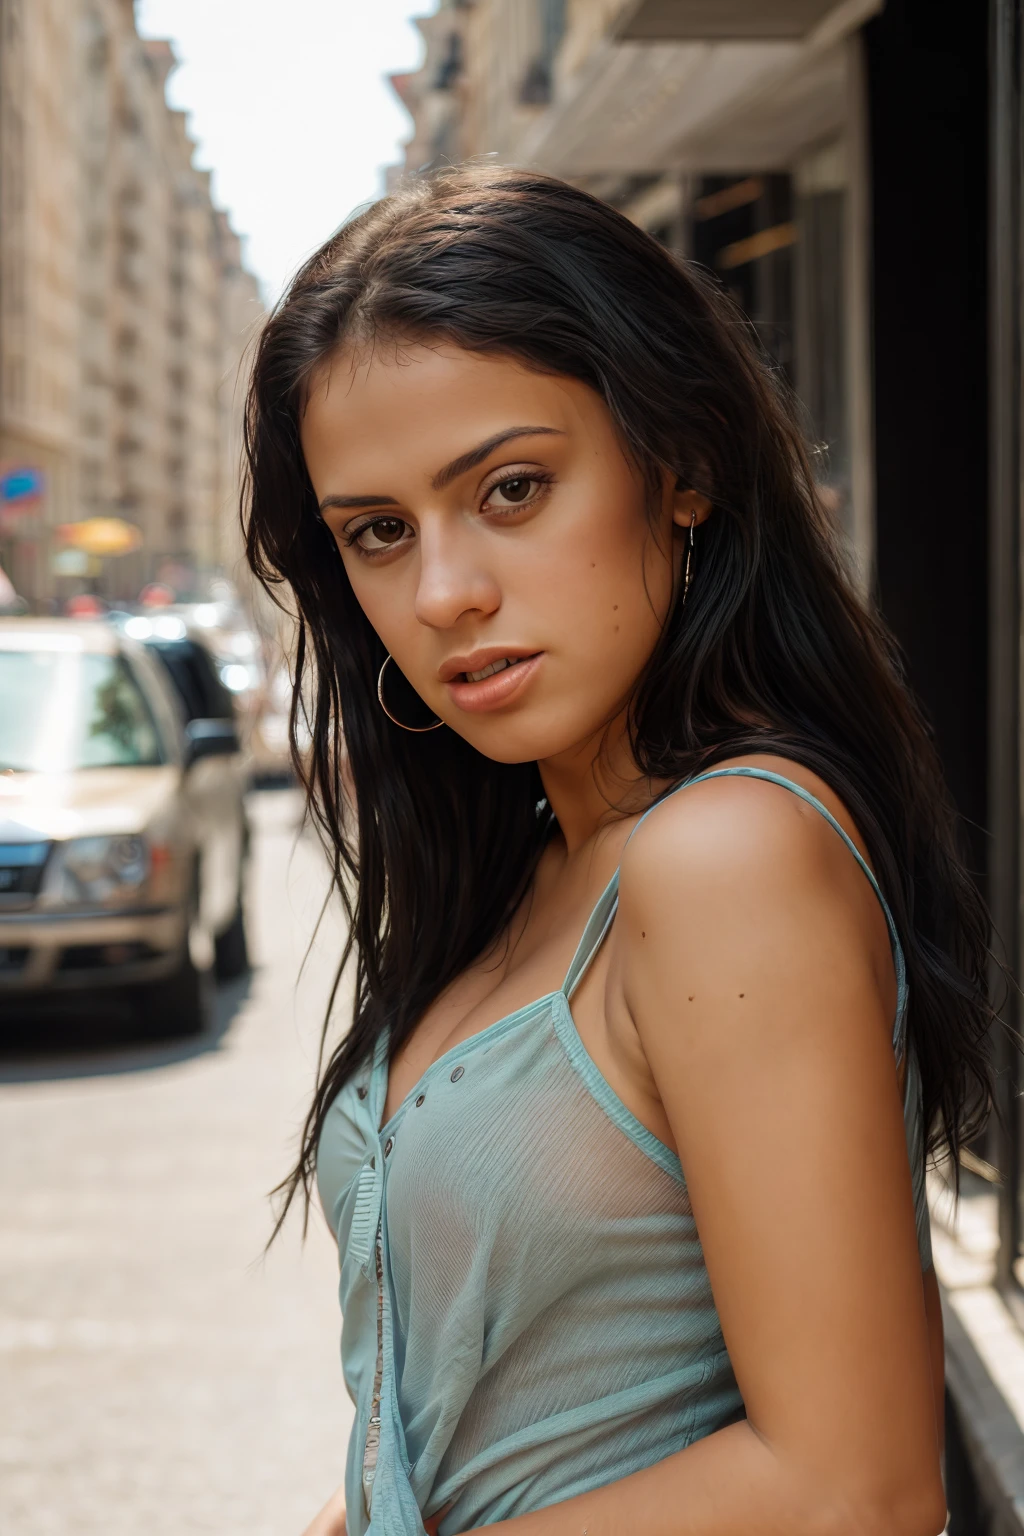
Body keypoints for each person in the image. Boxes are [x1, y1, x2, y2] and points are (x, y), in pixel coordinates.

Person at [243, 167, 991, 1536]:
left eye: (513, 489)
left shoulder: (727, 856)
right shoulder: (527, 864)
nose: (445, 592)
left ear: (683, 466)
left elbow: (854, 1490)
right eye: (379, 533)